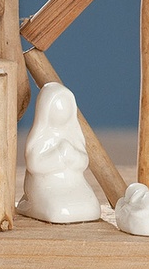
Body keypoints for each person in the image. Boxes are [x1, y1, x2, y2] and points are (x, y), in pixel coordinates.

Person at [16, 82, 101, 223]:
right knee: (57, 210)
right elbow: (35, 165)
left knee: (91, 206)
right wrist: (59, 155)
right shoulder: (41, 136)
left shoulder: (73, 132)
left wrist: (74, 156)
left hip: (74, 183)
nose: (62, 113)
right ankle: (36, 205)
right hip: (46, 185)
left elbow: (83, 161)